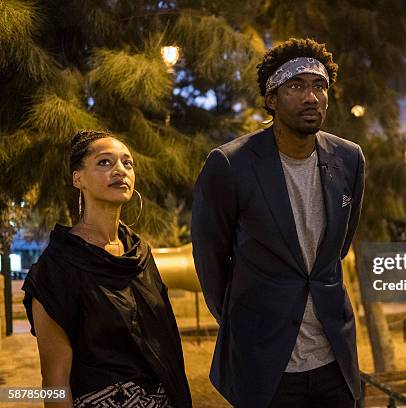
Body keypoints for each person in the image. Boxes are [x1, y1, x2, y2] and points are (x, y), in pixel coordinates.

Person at [191, 38, 364, 408]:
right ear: (271, 98)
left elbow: (337, 247)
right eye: (296, 86)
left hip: (333, 357)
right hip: (265, 362)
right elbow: (210, 258)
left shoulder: (349, 158)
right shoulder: (230, 164)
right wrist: (246, 322)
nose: (311, 97)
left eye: (319, 86)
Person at [23, 130, 192, 407]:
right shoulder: (55, 269)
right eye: (104, 162)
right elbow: (54, 381)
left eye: (128, 163)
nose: (120, 170)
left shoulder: (141, 255)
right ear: (77, 178)